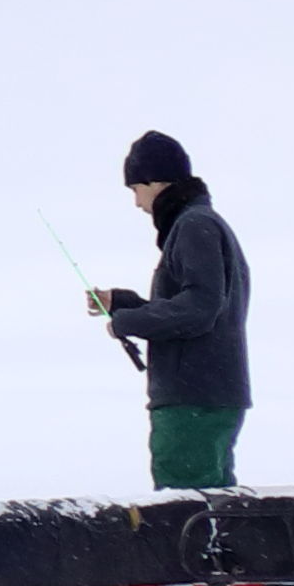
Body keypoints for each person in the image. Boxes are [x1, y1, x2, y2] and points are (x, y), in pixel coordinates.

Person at [91, 129, 253, 486]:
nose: (137, 203)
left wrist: (126, 322)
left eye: (135, 189)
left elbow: (199, 309)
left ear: (156, 181)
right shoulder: (201, 224)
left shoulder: (194, 226)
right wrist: (121, 303)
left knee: (183, 513)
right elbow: (196, 305)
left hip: (193, 398)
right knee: (212, 513)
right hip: (209, 394)